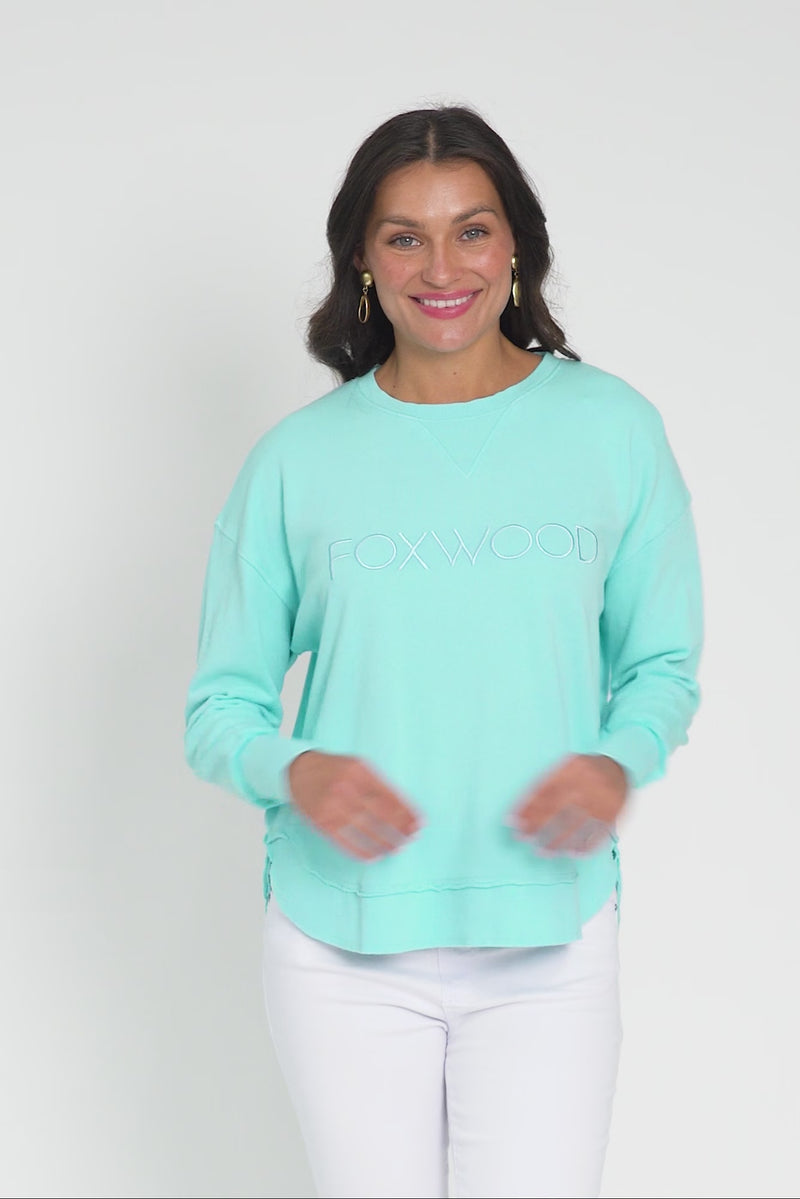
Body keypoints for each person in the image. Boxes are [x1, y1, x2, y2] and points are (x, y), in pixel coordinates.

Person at [183, 104, 704, 1199]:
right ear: (362, 262)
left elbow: (659, 663)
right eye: (403, 236)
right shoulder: (296, 461)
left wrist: (619, 760)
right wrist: (294, 768)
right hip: (340, 945)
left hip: (549, 932)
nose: (440, 267)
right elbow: (221, 705)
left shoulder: (612, 429)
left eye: (470, 229)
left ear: (516, 246)